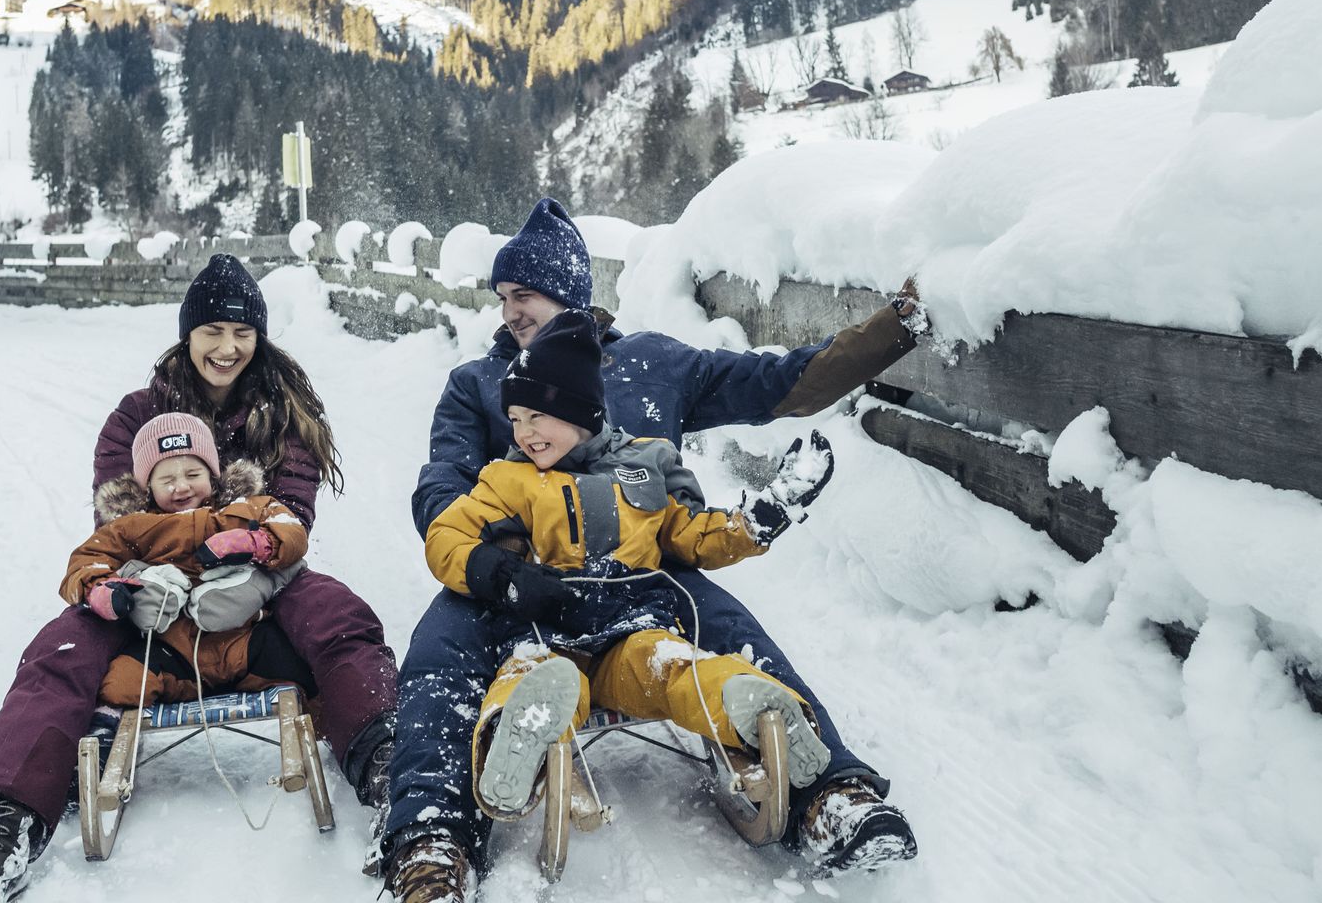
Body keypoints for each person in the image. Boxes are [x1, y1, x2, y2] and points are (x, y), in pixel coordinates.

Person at [383, 199, 923, 902]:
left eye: (525, 294)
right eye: (503, 298)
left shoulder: (651, 363)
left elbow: (778, 382)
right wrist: (501, 560)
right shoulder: (482, 383)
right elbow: (443, 486)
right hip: (517, 575)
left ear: (570, 293)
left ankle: (830, 792)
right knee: (438, 653)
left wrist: (891, 333)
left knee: (728, 631)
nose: (510, 311)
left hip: (648, 565)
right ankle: (431, 839)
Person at [0, 255, 398, 903]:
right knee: (61, 646)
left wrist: (248, 553)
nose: (228, 346)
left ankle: (393, 770)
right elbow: (108, 533)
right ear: (188, 335)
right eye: (212, 330)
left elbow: (290, 521)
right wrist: (125, 588)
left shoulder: (279, 414)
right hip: (150, 601)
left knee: (333, 611)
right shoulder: (136, 416)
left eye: (243, 332)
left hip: (252, 583)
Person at [423, 310, 840, 826]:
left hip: (632, 630)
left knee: (674, 668)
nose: (523, 432)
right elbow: (446, 535)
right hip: (548, 632)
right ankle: (516, 739)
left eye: (536, 417)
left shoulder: (646, 464)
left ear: (580, 411)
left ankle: (756, 710)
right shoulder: (509, 479)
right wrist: (501, 574)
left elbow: (690, 537)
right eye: (515, 419)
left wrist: (755, 523)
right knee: (536, 677)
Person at [66, 412, 313, 708]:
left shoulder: (247, 507)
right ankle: (107, 730)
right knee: (120, 684)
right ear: (148, 487)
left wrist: (257, 542)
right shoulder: (130, 526)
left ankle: (334, 730)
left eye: (193, 475)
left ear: (212, 474)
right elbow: (87, 560)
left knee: (303, 668)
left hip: (246, 641)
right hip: (172, 652)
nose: (181, 487)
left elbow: (291, 529)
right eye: (167, 479)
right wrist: (104, 591)